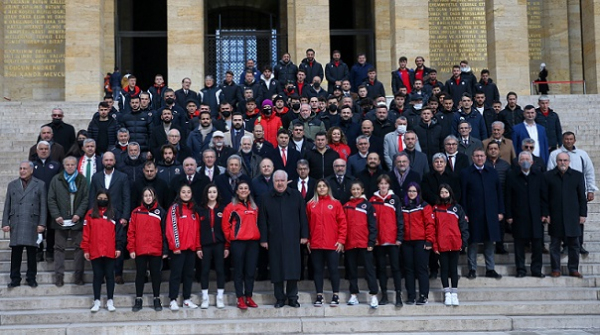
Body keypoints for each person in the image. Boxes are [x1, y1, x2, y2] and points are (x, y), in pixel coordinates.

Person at [258, 170, 309, 308]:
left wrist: (304, 235)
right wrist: (264, 239)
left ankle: (292, 297)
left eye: (282, 180)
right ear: (273, 182)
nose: (280, 183)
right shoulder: (265, 197)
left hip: (293, 238)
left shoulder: (296, 195)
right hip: (274, 238)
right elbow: (262, 220)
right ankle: (280, 298)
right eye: (277, 181)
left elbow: (303, 217)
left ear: (286, 181)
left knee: (293, 268)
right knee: (277, 269)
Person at [547, 131, 597, 254]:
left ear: (574, 140)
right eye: (566, 139)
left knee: (578, 219)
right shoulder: (555, 154)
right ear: (562, 140)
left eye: (571, 139)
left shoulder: (582, 154)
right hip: (560, 191)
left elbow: (589, 172)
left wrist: (590, 189)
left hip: (577, 191)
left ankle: (579, 244)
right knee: (562, 219)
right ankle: (566, 245)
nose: (568, 141)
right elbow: (549, 172)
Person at [461, 148, 504, 280]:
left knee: (489, 242)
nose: (479, 158)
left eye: (481, 156)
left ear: (485, 157)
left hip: (490, 213)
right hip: (473, 214)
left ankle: (490, 269)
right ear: (472, 158)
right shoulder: (466, 173)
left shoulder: (492, 172)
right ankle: (472, 269)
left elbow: (499, 193)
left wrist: (500, 211)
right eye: (477, 156)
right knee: (472, 242)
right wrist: (464, 213)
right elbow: (463, 195)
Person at [3, 161, 47, 288]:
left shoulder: (40, 185)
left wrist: (42, 224)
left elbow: (43, 206)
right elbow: (7, 205)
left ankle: (31, 277)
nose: (22, 171)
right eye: (20, 168)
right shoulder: (12, 185)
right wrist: (5, 222)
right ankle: (15, 278)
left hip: (32, 223)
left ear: (31, 170)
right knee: (16, 253)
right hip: (16, 222)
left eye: (25, 169)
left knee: (32, 253)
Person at [89, 151, 131, 284]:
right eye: (106, 160)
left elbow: (126, 197)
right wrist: (92, 215)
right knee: (100, 244)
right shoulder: (96, 177)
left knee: (117, 244)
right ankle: (100, 275)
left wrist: (125, 216)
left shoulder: (122, 177)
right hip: (99, 216)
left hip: (117, 216)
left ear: (114, 161)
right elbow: (91, 197)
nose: (108, 162)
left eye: (110, 160)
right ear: (102, 162)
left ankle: (118, 273)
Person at [47, 156, 89, 287]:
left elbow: (85, 199)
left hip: (77, 220)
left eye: (72, 164)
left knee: (79, 248)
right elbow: (51, 199)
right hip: (60, 221)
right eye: (67, 165)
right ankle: (59, 276)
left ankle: (79, 276)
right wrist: (56, 215)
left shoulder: (82, 180)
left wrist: (78, 214)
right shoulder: (56, 180)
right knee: (59, 248)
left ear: (76, 165)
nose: (70, 167)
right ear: (64, 166)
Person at [505, 151, 548, 278]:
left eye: (527, 159)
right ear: (518, 162)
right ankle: (521, 270)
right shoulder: (512, 176)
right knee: (519, 246)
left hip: (536, 216)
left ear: (532, 162)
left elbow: (544, 196)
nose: (525, 161)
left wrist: (545, 213)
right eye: (522, 159)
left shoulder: (539, 175)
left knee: (537, 245)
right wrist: (509, 215)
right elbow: (508, 197)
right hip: (518, 216)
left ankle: (536, 270)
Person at [81, 190, 125, 313]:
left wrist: (118, 247)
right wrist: (86, 249)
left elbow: (119, 233)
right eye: (100, 198)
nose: (102, 200)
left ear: (109, 199)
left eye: (105, 198)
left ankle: (110, 300)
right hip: (95, 250)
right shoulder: (90, 214)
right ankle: (97, 301)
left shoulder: (114, 214)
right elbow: (86, 233)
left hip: (110, 250)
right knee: (97, 276)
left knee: (110, 276)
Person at [545, 153, 587, 278]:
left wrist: (582, 214)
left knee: (574, 245)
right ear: (556, 161)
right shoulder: (548, 176)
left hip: (573, 216)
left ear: (569, 161)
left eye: (565, 160)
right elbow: (544, 198)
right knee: (554, 245)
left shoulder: (577, 175)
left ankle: (573, 268)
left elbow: (582, 197)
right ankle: (556, 269)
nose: (563, 163)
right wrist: (546, 214)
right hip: (555, 216)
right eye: (560, 160)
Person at [306, 179, 347, 307]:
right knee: (318, 270)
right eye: (319, 186)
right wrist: (307, 239)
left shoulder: (336, 204)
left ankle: (335, 295)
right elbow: (306, 224)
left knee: (333, 270)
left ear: (328, 188)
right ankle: (319, 295)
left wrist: (341, 240)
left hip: (332, 243)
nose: (322, 188)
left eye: (324, 186)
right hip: (316, 243)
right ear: (316, 189)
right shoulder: (310, 204)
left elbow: (343, 223)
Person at [222, 181, 261, 309]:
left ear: (249, 191)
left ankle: (248, 296)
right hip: (238, 243)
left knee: (250, 271)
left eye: (246, 188)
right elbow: (225, 226)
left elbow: (258, 223)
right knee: (238, 271)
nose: (243, 190)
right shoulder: (231, 207)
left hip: (253, 243)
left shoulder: (254, 207)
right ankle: (240, 298)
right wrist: (231, 238)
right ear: (237, 191)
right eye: (241, 188)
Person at [128, 187, 167, 312]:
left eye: (150, 195)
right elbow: (131, 232)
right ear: (142, 198)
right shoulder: (136, 212)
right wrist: (131, 249)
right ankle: (138, 299)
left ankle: (156, 299)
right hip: (140, 249)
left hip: (156, 249)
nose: (148, 198)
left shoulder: (161, 212)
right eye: (145, 195)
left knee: (156, 275)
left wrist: (165, 250)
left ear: (154, 197)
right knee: (140, 274)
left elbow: (165, 232)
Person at [165, 185, 202, 311]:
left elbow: (197, 231)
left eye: (188, 192)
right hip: (178, 249)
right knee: (176, 275)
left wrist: (198, 247)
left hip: (191, 249)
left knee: (188, 275)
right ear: (179, 194)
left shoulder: (194, 211)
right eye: (183, 192)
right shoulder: (174, 209)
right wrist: (175, 245)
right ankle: (173, 300)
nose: (186, 194)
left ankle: (186, 299)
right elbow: (171, 227)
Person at [342, 180, 379, 308]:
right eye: (353, 189)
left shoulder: (368, 205)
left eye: (358, 189)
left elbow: (373, 226)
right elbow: (343, 225)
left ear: (362, 190)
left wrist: (371, 242)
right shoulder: (346, 206)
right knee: (351, 271)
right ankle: (353, 294)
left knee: (369, 270)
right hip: (350, 244)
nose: (356, 191)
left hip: (364, 243)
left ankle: (374, 295)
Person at [369, 174, 404, 306]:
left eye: (386, 184)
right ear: (378, 185)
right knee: (381, 269)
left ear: (389, 185)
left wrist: (399, 237)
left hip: (393, 240)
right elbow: (371, 221)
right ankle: (384, 295)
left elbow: (400, 219)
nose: (383, 186)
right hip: (379, 241)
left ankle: (398, 296)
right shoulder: (372, 200)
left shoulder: (394, 199)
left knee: (395, 268)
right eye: (381, 183)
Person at [432, 184, 469, 306]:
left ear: (450, 193)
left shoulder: (457, 208)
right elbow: (433, 228)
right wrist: (435, 245)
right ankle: (447, 294)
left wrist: (463, 242)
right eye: (442, 192)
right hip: (442, 244)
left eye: (446, 192)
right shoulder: (435, 208)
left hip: (455, 243)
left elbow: (463, 226)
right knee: (444, 269)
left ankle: (454, 293)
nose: (444, 195)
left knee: (453, 269)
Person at [401, 182, 435, 305]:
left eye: (414, 191)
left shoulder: (424, 206)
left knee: (421, 269)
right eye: (410, 191)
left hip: (421, 242)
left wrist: (429, 240)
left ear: (418, 193)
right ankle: (411, 296)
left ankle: (423, 295)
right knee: (409, 270)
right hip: (406, 242)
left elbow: (430, 224)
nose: (412, 193)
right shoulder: (402, 206)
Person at [198, 184, 227, 309]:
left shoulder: (222, 209)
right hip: (205, 245)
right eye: (209, 192)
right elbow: (197, 230)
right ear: (206, 194)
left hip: (219, 244)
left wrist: (227, 246)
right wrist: (198, 247)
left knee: (220, 270)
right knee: (204, 271)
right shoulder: (201, 210)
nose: (212, 194)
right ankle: (205, 297)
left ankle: (220, 296)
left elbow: (226, 228)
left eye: (214, 192)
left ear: (217, 194)